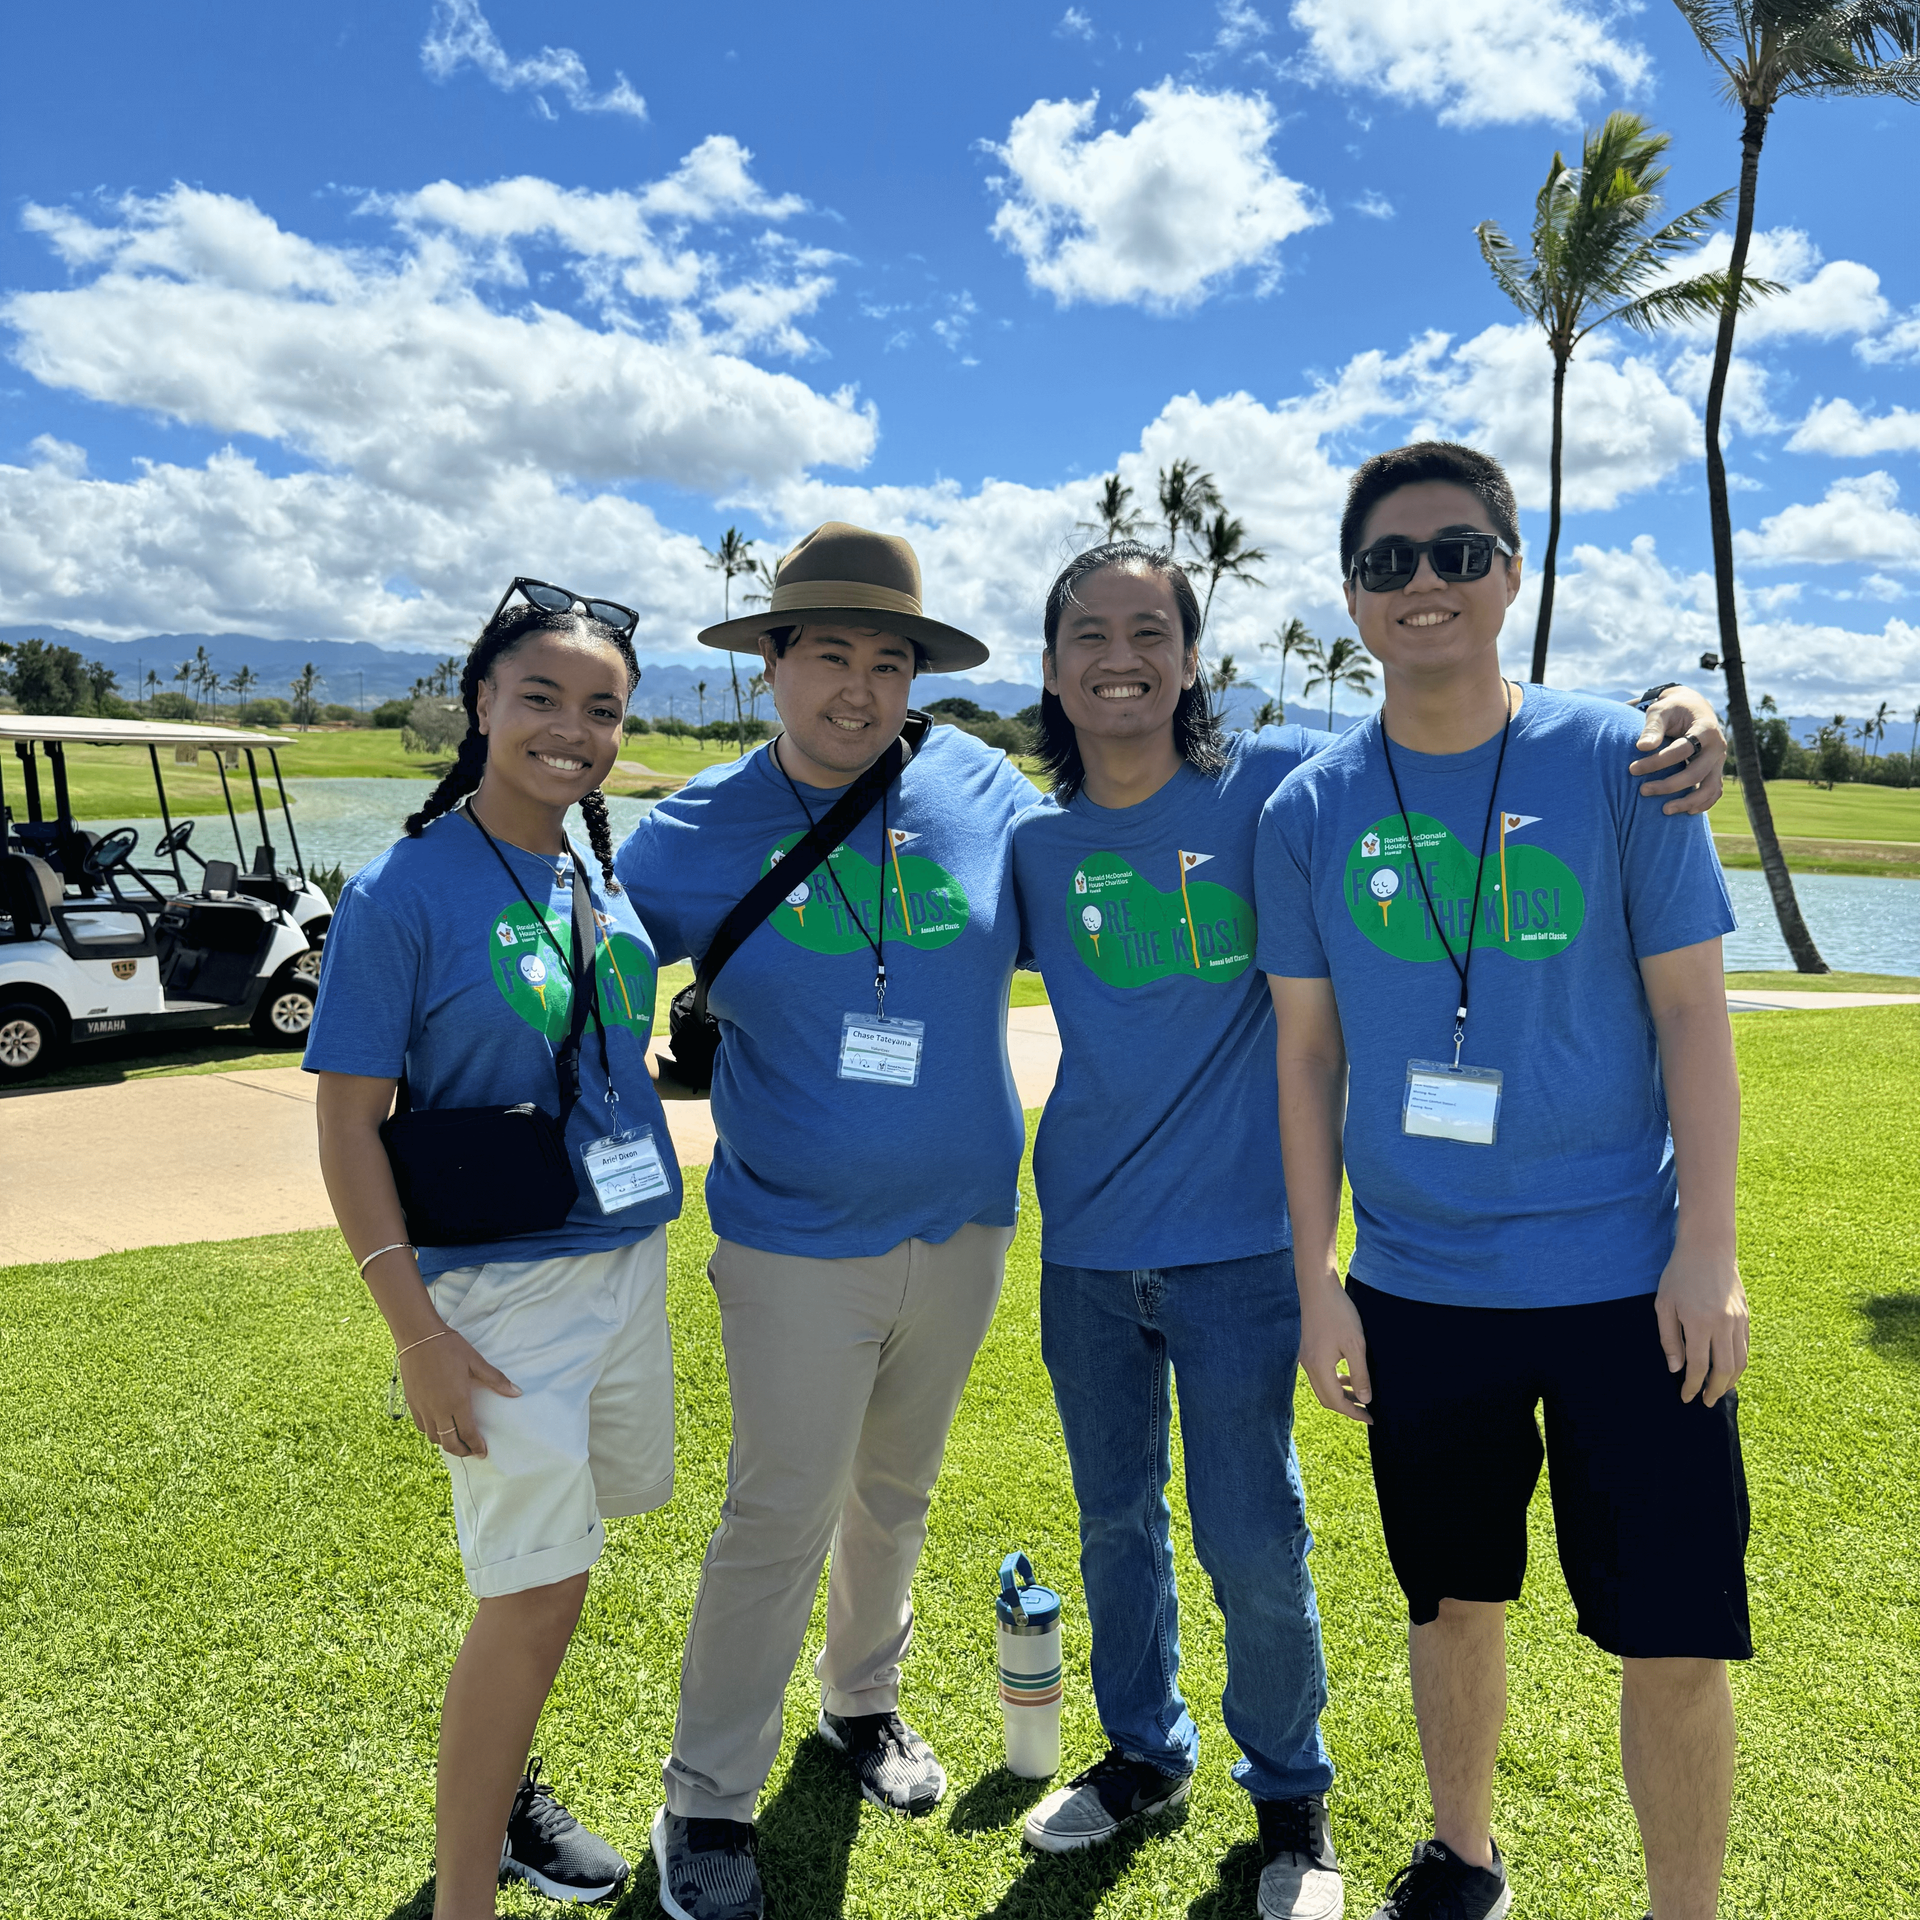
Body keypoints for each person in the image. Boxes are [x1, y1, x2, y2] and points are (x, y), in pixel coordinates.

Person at [1009, 536, 1727, 1918]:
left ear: (1193, 657)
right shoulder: (1027, 839)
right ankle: (1142, 1754)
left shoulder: (1284, 791)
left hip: (1241, 1254)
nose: (1120, 657)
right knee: (1114, 1525)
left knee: (1252, 1539)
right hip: (1087, 1243)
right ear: (1050, 668)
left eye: (1150, 630)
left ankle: (1291, 1805)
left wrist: (1675, 704)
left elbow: (1456, 714)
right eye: (1088, 634)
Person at [1257, 442, 1750, 1920]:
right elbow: (1305, 1063)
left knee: (1671, 1637)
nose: (1427, 584)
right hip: (1420, 1289)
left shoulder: (1622, 762)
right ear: (1352, 594)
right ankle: (1463, 1855)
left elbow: (1690, 1016)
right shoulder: (1311, 809)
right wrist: (1318, 1285)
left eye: (1460, 553)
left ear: (1511, 572)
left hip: (1627, 1284)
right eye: (1393, 561)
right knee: (1452, 1598)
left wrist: (1707, 1252)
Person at [615, 523, 1035, 1920]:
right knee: (778, 1513)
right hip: (795, 1242)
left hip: (967, 1225)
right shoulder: (692, 830)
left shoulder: (984, 783)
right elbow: (567, 956)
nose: (860, 690)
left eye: (890, 662)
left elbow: (1156, 827)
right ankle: (707, 1801)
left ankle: (860, 1704)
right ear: (772, 667)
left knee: (896, 1497)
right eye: (831, 657)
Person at [309, 581, 684, 1920]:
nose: (571, 730)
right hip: (499, 1292)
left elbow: (600, 1048)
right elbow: (348, 1124)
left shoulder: (591, 866)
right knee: (532, 1592)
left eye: (601, 710)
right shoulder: (402, 892)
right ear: (481, 704)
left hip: (626, 1263)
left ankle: (508, 1790)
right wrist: (415, 1330)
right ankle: (469, 1891)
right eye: (541, 697)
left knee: (565, 1564)